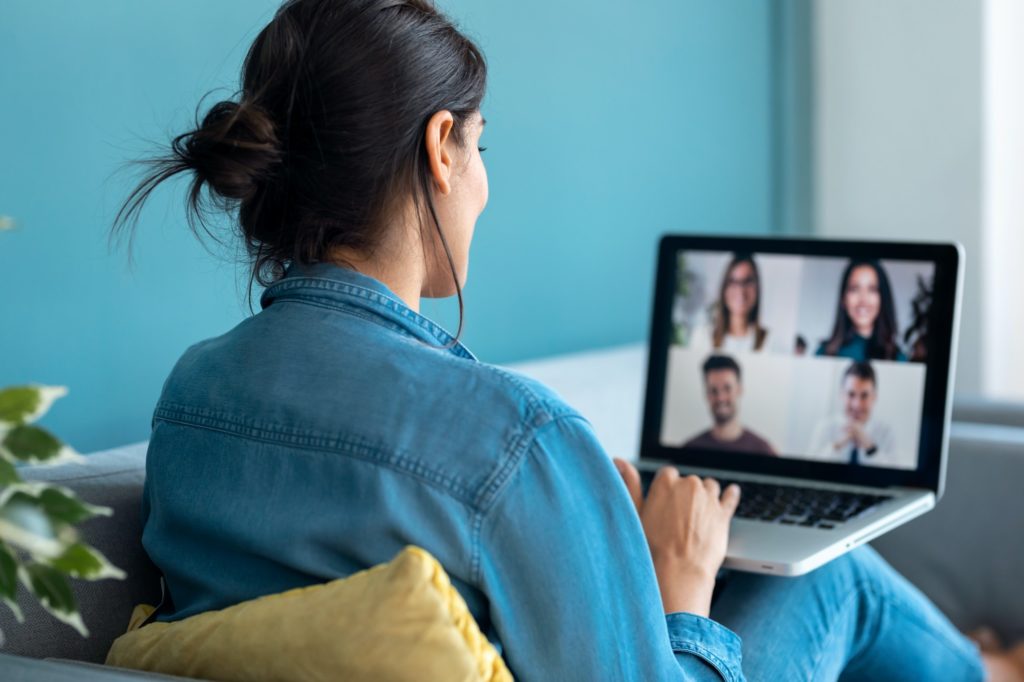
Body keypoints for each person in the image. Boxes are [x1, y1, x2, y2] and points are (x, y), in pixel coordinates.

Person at [113, 0, 1021, 679]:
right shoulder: (517, 439)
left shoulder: (189, 400)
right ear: (441, 149)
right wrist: (680, 588)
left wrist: (589, 539)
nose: (482, 187)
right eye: (481, 146)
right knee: (829, 580)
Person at [807, 362, 903, 468]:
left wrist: (869, 445)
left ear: (874, 397)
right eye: (851, 394)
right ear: (842, 395)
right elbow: (811, 469)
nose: (857, 405)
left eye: (864, 395)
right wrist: (841, 442)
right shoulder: (824, 427)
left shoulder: (886, 432)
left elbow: (895, 474)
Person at [681, 355, 777, 456]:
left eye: (727, 388)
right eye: (713, 390)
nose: (721, 398)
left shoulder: (763, 451)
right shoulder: (690, 448)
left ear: (739, 390)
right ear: (707, 395)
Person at [816, 259, 908, 362]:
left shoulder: (898, 358)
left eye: (872, 289)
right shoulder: (824, 354)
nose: (863, 300)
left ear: (882, 298)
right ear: (843, 298)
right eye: (854, 289)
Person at [710, 253, 770, 352]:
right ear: (724, 288)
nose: (741, 291)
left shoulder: (769, 340)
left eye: (748, 281)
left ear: (757, 288)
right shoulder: (702, 336)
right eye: (733, 281)